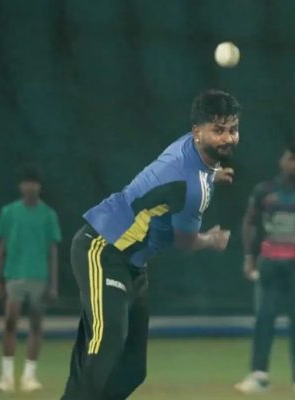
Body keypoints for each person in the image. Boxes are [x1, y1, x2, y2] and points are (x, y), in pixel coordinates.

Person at [61, 89, 240, 400]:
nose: (228, 138)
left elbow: (186, 177)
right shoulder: (192, 188)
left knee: (132, 369)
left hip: (133, 263)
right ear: (197, 132)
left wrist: (212, 176)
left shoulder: (192, 153)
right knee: (106, 345)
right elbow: (185, 241)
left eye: (233, 129)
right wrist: (210, 240)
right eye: (218, 130)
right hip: (102, 248)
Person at [0, 166, 62, 392]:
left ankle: (29, 377)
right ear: (20, 186)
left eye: (34, 182)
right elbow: (2, 247)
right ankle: (6, 377)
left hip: (38, 276)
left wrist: (53, 284)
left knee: (36, 325)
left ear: (39, 187)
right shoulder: (9, 212)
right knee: (10, 323)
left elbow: (53, 251)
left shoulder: (48, 215)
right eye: (26, 182)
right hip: (14, 274)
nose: (30, 187)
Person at [235, 141, 295, 394]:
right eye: (289, 158)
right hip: (270, 264)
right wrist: (249, 257)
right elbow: (249, 222)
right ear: (282, 161)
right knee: (264, 318)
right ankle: (259, 375)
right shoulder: (265, 191)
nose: (291, 163)